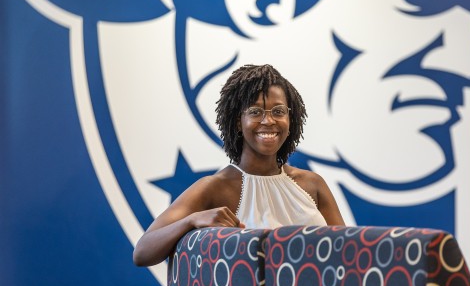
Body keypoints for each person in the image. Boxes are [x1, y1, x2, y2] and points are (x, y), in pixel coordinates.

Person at [133, 64, 345, 267]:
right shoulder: (215, 187)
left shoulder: (313, 184)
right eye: (255, 112)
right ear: (237, 121)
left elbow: (346, 251)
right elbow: (142, 252)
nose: (268, 120)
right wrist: (191, 220)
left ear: (291, 120)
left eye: (278, 111)